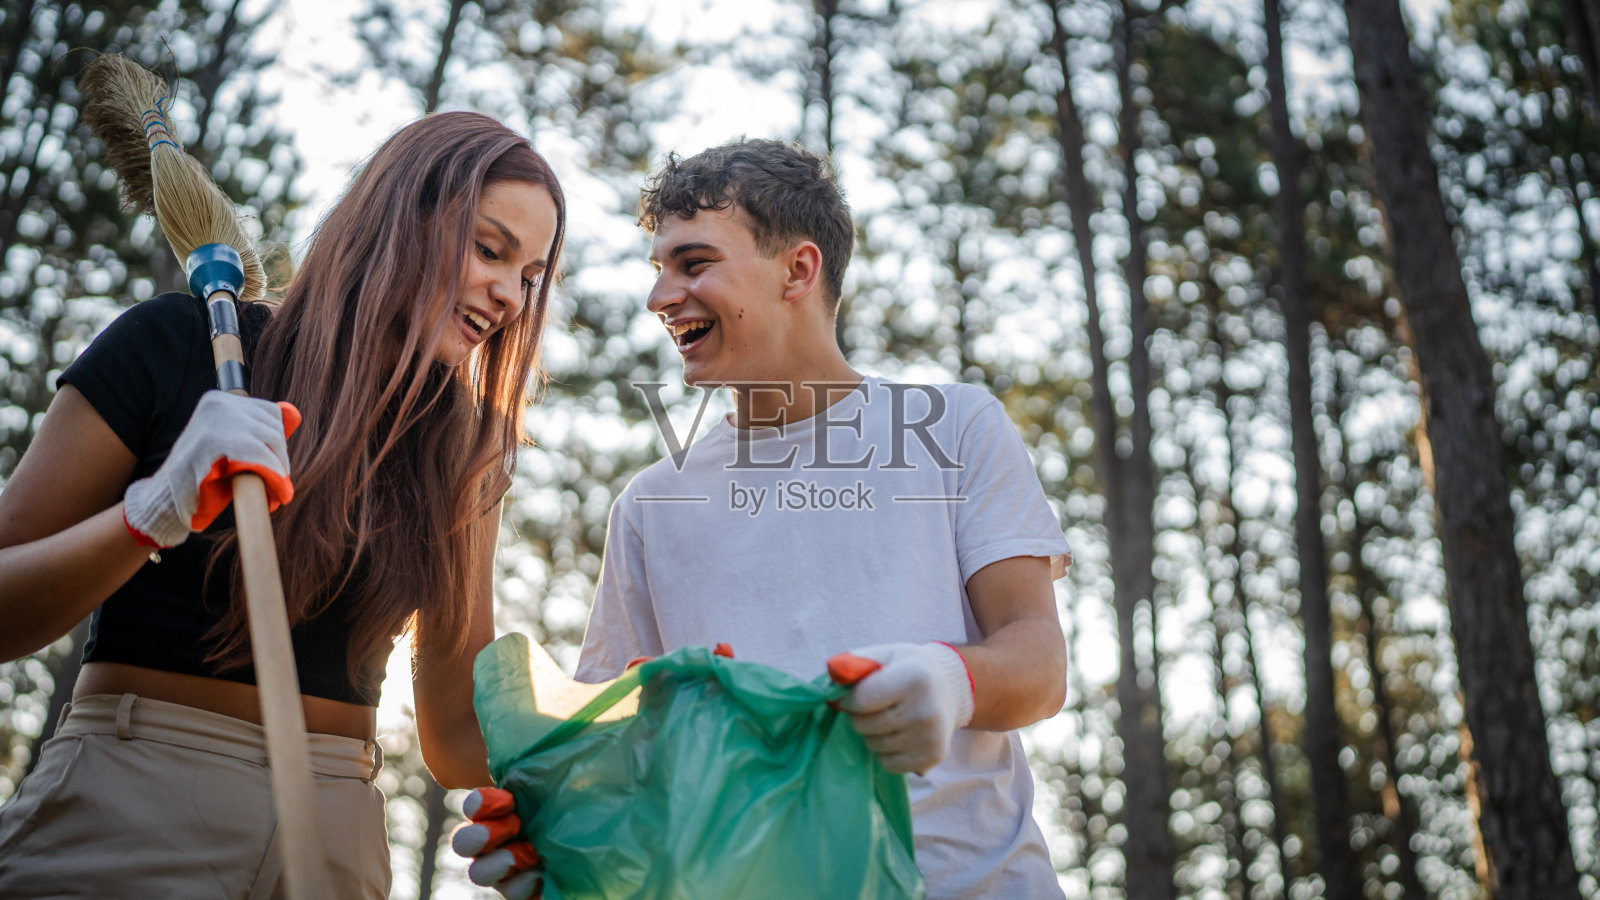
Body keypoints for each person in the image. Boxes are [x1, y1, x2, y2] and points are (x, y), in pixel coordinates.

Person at [459, 140, 1070, 900]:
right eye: (659, 271)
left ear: (799, 270)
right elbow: (623, 750)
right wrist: (550, 833)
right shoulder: (652, 506)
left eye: (693, 263)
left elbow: (1040, 661)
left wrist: (951, 680)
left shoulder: (956, 429)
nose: (659, 297)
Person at [0, 108, 566, 898]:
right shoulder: (175, 344)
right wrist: (155, 511)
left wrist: (592, 748)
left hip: (339, 840)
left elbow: (454, 735)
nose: (508, 294)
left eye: (530, 277)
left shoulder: (462, 450)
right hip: (129, 806)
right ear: (399, 219)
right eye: (488, 249)